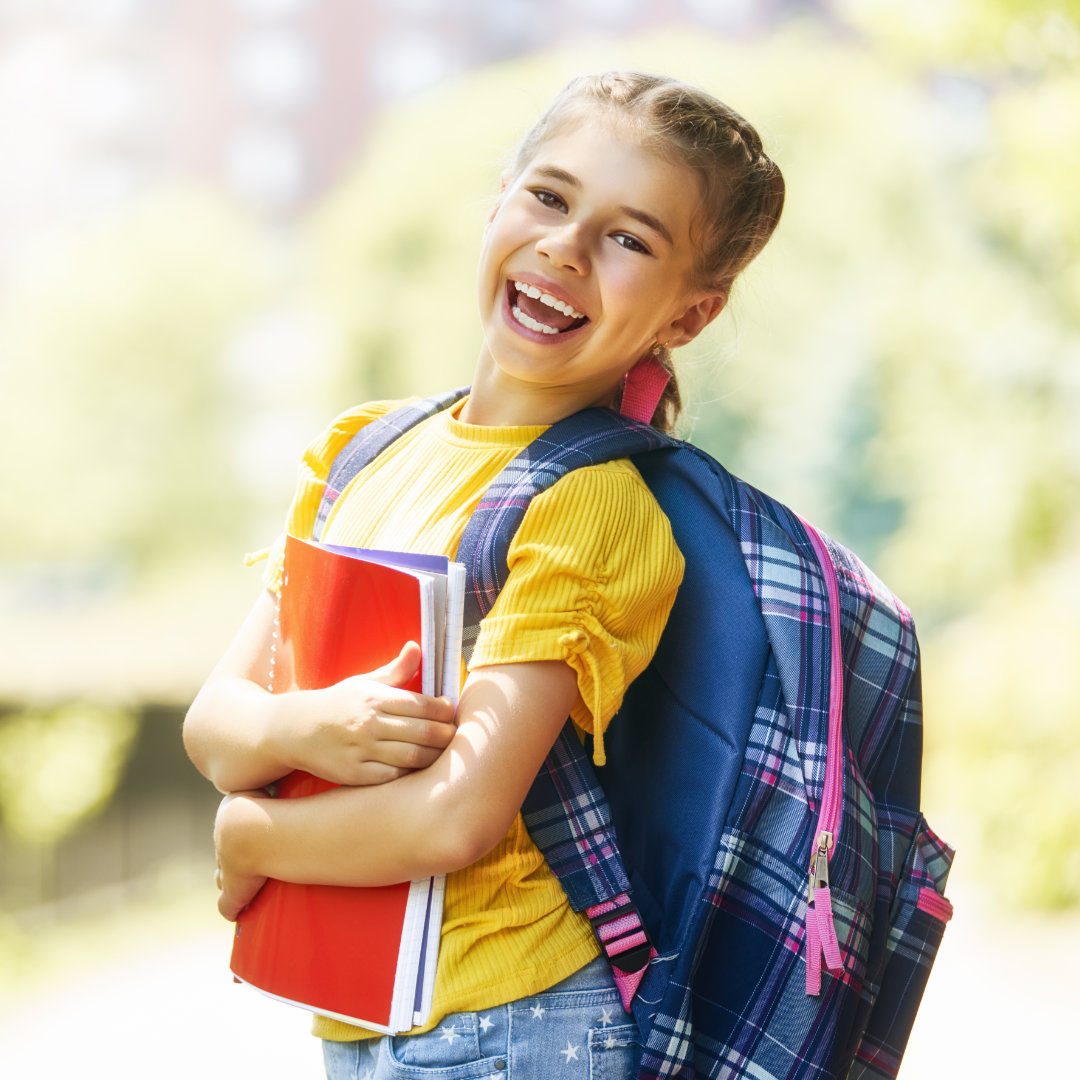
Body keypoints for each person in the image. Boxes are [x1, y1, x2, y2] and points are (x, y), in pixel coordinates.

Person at [184, 70, 785, 1079]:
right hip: (367, 1016)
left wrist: (253, 835)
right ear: (500, 199)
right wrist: (299, 731)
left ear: (690, 316)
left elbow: (458, 814)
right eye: (549, 196)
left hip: (512, 1028)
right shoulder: (364, 452)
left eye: (630, 239)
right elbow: (217, 722)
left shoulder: (592, 506)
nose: (565, 246)